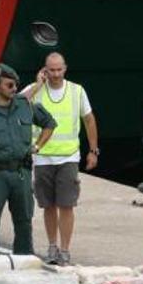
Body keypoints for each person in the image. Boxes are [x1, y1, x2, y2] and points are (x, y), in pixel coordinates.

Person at [0, 63, 56, 259]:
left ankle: (23, 263)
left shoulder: (24, 105)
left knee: (24, 222)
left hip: (21, 174)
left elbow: (49, 123)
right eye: (9, 85)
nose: (14, 89)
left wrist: (37, 146)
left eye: (15, 85)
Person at [20, 52, 99, 266]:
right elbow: (16, 104)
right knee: (48, 206)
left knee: (67, 205)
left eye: (59, 69)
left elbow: (89, 120)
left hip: (68, 157)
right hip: (43, 157)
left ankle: (65, 249)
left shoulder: (77, 91)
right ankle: (52, 246)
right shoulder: (35, 90)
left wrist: (93, 150)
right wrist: (37, 85)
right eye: (51, 70)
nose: (55, 74)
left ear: (65, 68)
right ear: (44, 70)